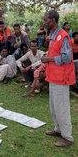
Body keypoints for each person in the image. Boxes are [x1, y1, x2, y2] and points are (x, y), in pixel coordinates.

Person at [42, 10, 75, 147]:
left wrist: (49, 59)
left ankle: (67, 137)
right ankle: (58, 129)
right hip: (53, 76)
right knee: (54, 107)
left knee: (62, 108)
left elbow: (67, 57)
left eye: (46, 20)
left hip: (62, 78)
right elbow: (56, 52)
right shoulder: (52, 35)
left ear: (53, 20)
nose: (44, 22)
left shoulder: (63, 36)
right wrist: (47, 55)